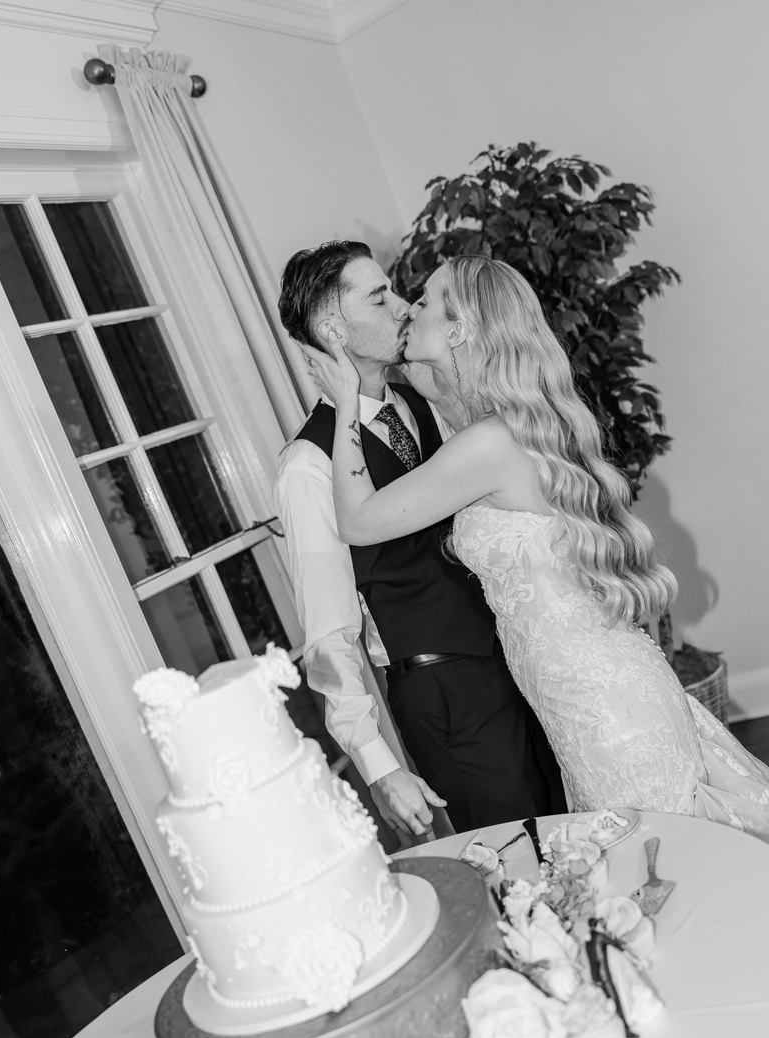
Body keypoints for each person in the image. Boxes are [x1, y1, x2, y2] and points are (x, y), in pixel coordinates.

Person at [302, 254, 769, 839]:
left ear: (459, 328)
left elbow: (359, 521)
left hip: (601, 707)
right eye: (388, 297)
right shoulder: (497, 425)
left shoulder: (487, 443)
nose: (406, 309)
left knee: (663, 857)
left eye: (422, 300)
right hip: (587, 691)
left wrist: (347, 403)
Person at [274, 242, 566, 840]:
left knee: (574, 829)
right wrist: (378, 765)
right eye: (379, 297)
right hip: (447, 693)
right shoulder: (307, 465)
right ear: (333, 331)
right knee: (521, 856)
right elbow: (328, 636)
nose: (404, 306)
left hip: (521, 661)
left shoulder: (419, 401)